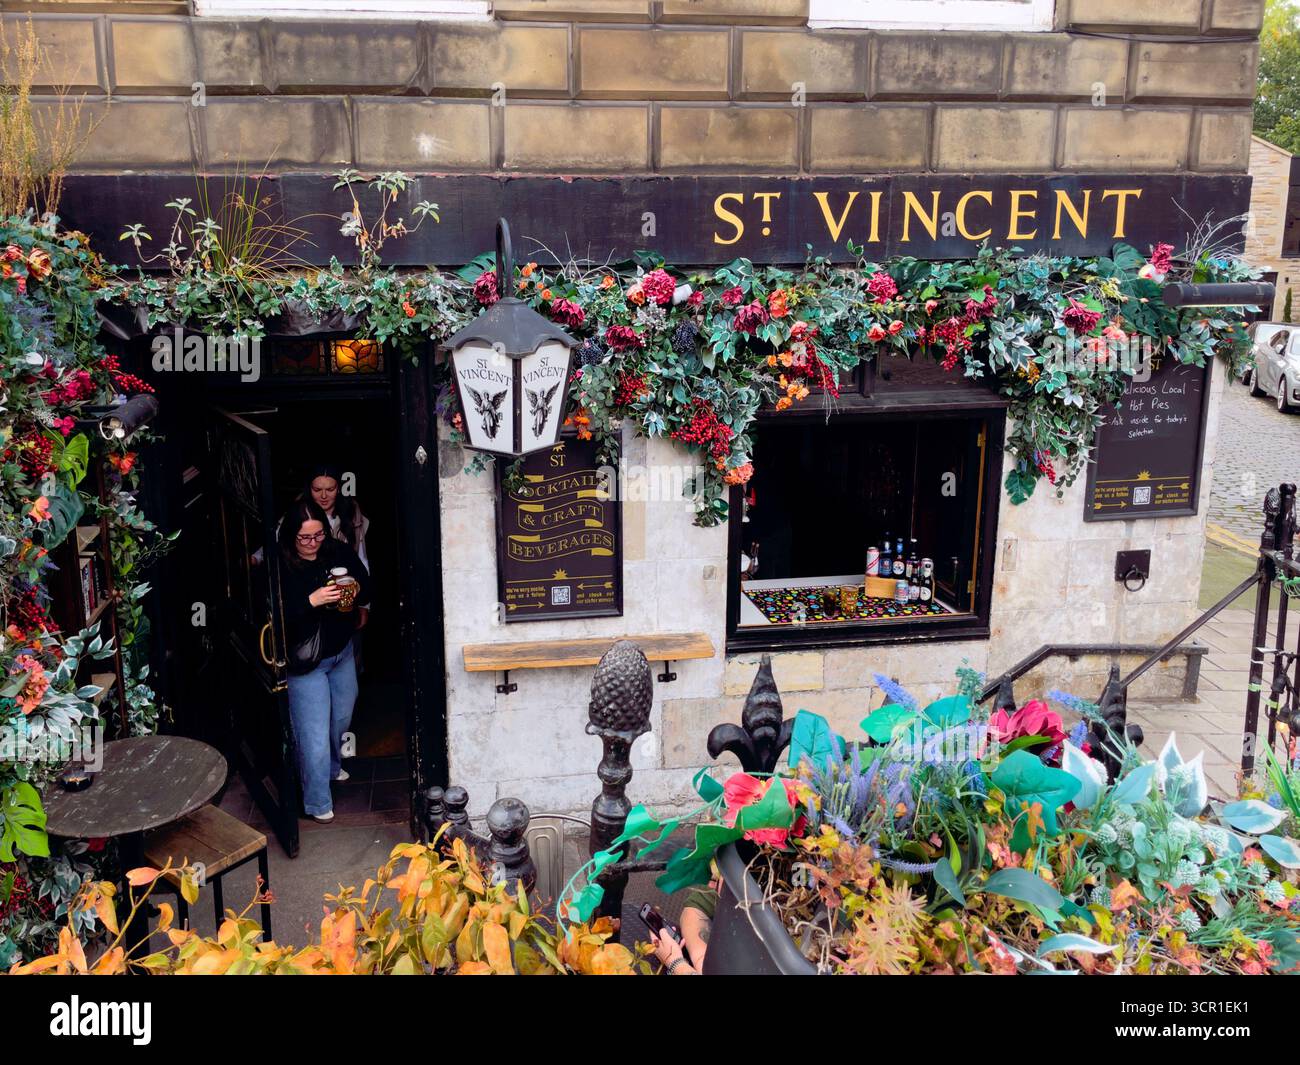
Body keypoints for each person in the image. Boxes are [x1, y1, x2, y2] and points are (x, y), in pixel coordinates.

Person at [278, 499, 370, 824]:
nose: (313, 543)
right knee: (313, 734)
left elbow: (367, 583)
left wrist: (355, 590)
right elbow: (273, 618)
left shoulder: (336, 551)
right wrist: (311, 600)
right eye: (305, 538)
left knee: (342, 717)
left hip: (341, 651)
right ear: (291, 536)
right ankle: (316, 801)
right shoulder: (280, 565)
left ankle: (333, 767)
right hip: (306, 663)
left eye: (318, 535)